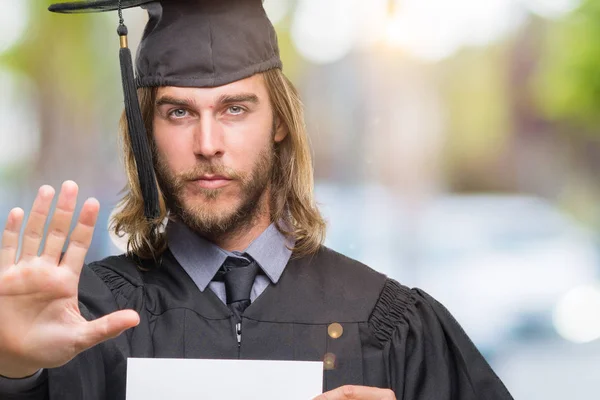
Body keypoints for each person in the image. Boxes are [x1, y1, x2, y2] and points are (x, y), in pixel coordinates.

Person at [0, 1, 514, 399]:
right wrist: (12, 369)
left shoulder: (391, 323)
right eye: (178, 113)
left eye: (235, 109)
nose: (207, 143)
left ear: (281, 123)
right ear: (145, 133)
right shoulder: (85, 318)